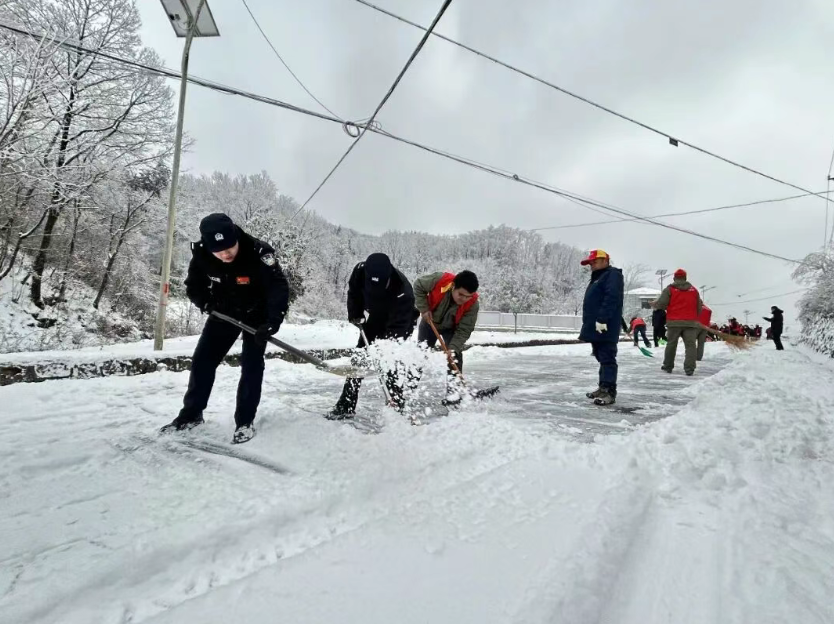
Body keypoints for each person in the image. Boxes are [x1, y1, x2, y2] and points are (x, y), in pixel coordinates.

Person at [161, 213, 289, 444]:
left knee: (251, 365)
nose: (225, 254)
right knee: (202, 361)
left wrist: (273, 321)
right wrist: (206, 303)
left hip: (257, 315)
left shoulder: (259, 252)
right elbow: (194, 285)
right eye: (218, 251)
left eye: (229, 248)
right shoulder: (202, 254)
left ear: (236, 238)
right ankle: (191, 414)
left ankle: (245, 421)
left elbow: (278, 287)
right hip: (224, 312)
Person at [327, 253, 419, 419]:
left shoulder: (403, 291)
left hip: (400, 322)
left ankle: (396, 404)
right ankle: (346, 405)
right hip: (376, 316)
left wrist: (385, 347)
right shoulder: (360, 271)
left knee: (388, 362)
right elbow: (354, 293)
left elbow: (398, 326)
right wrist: (355, 313)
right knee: (359, 358)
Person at [413, 269, 480, 403]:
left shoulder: (473, 304)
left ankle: (453, 396)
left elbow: (464, 329)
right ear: (453, 286)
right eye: (461, 294)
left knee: (455, 357)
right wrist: (424, 309)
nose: (464, 299)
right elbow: (418, 285)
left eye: (468, 296)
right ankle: (406, 390)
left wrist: (453, 348)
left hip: (452, 328)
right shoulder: (440, 280)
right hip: (430, 322)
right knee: (420, 354)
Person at [578, 249, 624, 405]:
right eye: (590, 263)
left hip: (605, 325)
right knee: (601, 356)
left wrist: (603, 319)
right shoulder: (599, 277)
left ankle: (609, 391)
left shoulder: (612, 275)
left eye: (595, 262)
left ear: (605, 261)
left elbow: (612, 297)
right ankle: (603, 386)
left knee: (607, 357)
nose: (591, 265)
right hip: (596, 325)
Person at [653, 268, 702, 376]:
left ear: (674, 278)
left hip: (674, 322)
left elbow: (662, 304)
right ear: (685, 278)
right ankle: (690, 369)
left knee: (671, 344)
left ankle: (668, 366)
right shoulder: (694, 290)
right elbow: (699, 307)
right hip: (690, 323)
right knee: (690, 346)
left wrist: (656, 305)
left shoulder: (669, 289)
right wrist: (694, 317)